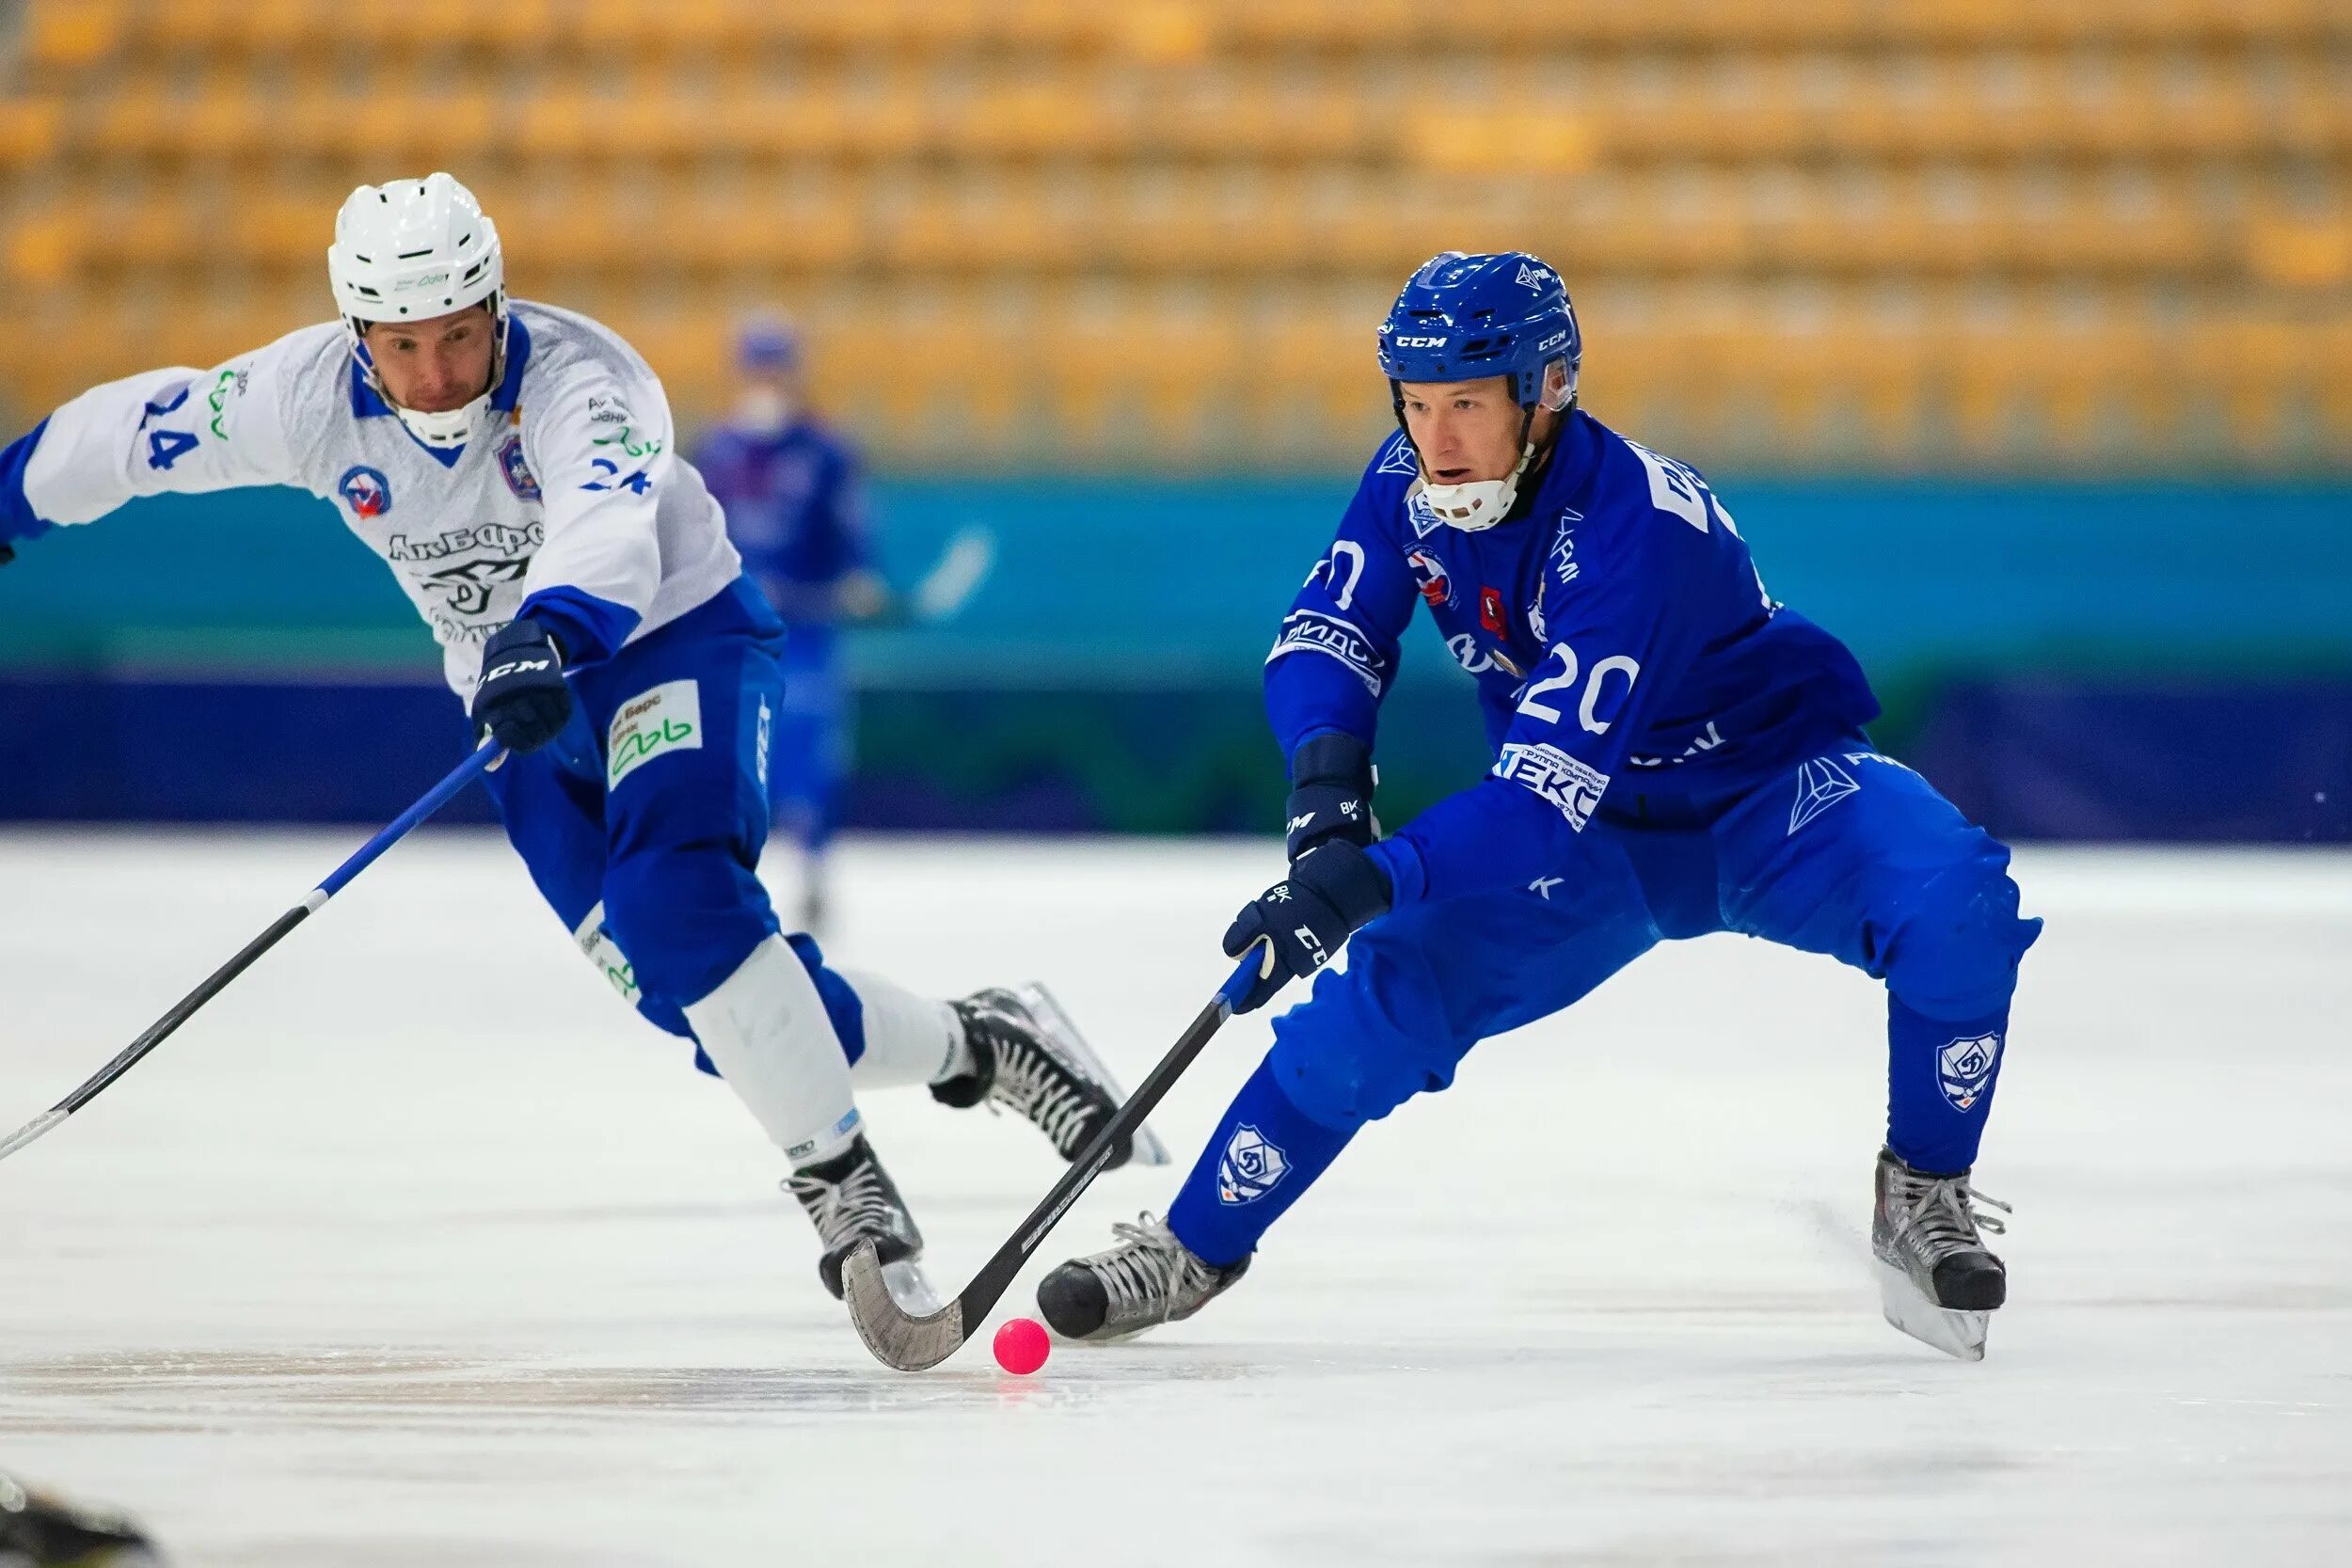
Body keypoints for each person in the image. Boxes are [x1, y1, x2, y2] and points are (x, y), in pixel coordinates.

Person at [0, 173, 1150, 1312]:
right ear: (359, 337)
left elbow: (606, 521)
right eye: (404, 349)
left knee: (677, 901)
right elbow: (135, 431)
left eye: (460, 336)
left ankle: (841, 1182)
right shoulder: (302, 396)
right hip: (518, 709)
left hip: (666, 640)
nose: (440, 375)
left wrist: (545, 630)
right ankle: (979, 1043)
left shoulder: (585, 378)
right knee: (694, 994)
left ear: (495, 305)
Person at [1038, 251, 2041, 1360]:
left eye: (1466, 404)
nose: (1438, 440)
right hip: (1599, 839)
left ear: (1546, 388)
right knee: (1376, 1013)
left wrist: (1366, 880)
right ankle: (1190, 1245)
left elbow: (1532, 803)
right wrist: (1324, 810)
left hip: (1765, 796)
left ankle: (1923, 1188)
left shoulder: (1634, 530)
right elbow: (1326, 636)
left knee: (1954, 897)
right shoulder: (1405, 485)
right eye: (1416, 406)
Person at [689, 317, 882, 933]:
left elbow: (852, 531)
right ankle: (730, 878)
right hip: (734, 631)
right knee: (733, 753)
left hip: (806, 631)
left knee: (810, 754)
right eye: (758, 367)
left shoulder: (826, 453)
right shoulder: (715, 451)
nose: (767, 381)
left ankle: (815, 875)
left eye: (777, 367)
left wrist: (857, 577)